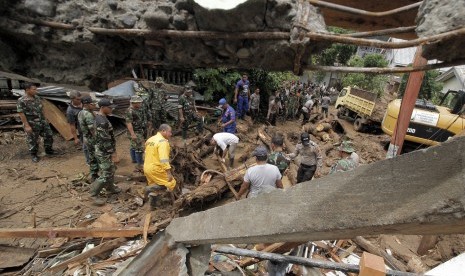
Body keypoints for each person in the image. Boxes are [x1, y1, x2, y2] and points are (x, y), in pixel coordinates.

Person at [89, 99, 121, 201]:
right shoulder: (101, 122)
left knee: (111, 170)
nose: (111, 109)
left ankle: (111, 188)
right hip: (104, 151)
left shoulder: (101, 118)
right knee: (106, 173)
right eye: (110, 107)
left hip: (103, 150)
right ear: (103, 108)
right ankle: (93, 194)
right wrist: (113, 154)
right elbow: (105, 140)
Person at [17, 83, 55, 162]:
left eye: (36, 89)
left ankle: (49, 151)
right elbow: (21, 114)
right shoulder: (21, 100)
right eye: (34, 89)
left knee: (49, 135)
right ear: (27, 90)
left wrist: (45, 118)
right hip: (32, 123)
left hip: (42, 121)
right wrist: (27, 126)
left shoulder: (37, 98)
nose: (36, 91)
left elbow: (41, 109)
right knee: (33, 139)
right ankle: (33, 154)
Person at [144, 124, 176, 209]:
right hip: (156, 168)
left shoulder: (150, 139)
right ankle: (174, 205)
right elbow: (164, 159)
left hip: (147, 167)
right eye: (169, 132)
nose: (171, 134)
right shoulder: (163, 142)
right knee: (171, 183)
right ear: (163, 131)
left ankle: (153, 207)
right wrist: (168, 172)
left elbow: (146, 154)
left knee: (154, 189)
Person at [78, 95, 99, 182]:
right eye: (91, 103)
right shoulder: (88, 115)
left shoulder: (81, 112)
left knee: (91, 156)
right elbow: (92, 130)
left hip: (86, 137)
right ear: (86, 104)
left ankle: (94, 174)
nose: (93, 105)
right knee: (95, 156)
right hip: (91, 139)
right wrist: (98, 140)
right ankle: (95, 175)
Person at [125, 95, 148, 172]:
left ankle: (134, 160)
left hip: (139, 130)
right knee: (139, 147)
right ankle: (140, 164)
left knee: (133, 145)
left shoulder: (138, 109)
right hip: (135, 132)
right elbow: (129, 123)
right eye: (139, 102)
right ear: (134, 103)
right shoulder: (129, 111)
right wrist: (133, 134)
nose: (140, 104)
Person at [66, 91, 90, 164]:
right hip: (83, 131)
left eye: (80, 99)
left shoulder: (84, 102)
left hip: (92, 127)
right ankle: (89, 161)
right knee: (86, 146)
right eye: (77, 99)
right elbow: (72, 125)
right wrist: (75, 138)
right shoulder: (70, 111)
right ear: (72, 99)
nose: (80, 101)